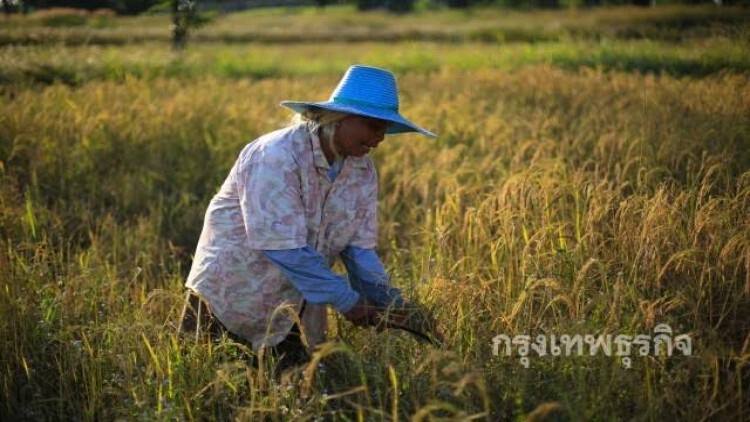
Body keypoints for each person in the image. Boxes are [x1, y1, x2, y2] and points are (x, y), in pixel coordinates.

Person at [179, 65, 436, 368]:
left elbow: (359, 249)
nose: (379, 138)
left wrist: (389, 302)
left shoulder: (361, 170)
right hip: (230, 301)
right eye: (372, 125)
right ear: (337, 118)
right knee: (211, 397)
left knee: (294, 401)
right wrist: (348, 301)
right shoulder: (276, 156)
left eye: (384, 129)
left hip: (293, 312)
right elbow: (281, 246)